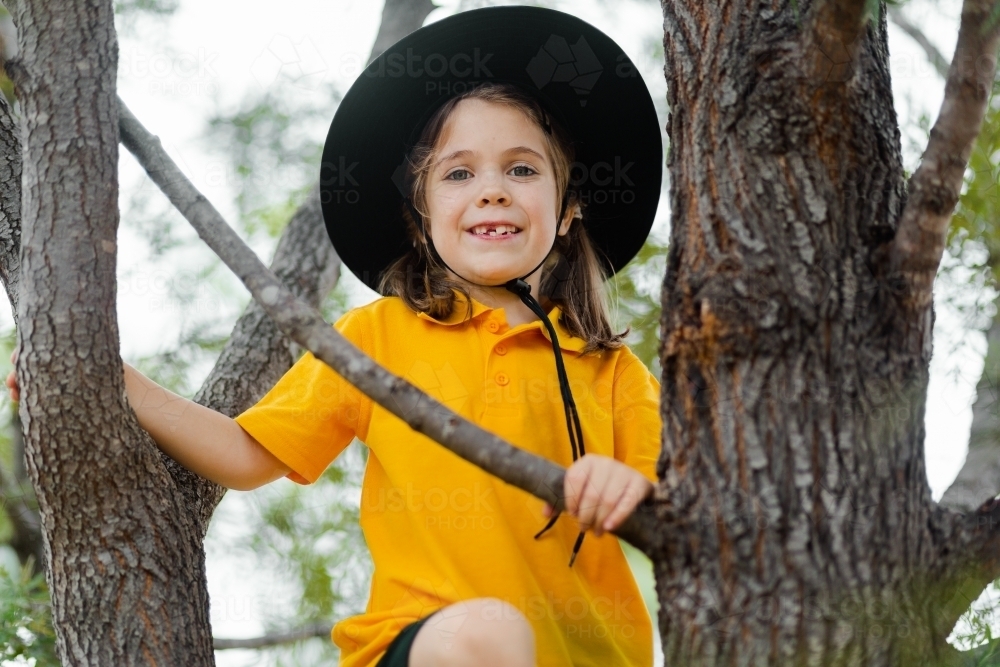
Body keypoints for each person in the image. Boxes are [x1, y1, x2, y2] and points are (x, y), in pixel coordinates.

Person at [9, 6, 664, 667]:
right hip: (429, 645)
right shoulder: (376, 336)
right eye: (458, 173)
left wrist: (626, 482)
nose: (492, 190)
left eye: (522, 170)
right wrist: (112, 379)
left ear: (569, 208)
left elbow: (692, 500)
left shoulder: (612, 371)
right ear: (419, 218)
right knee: (487, 633)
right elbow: (244, 453)